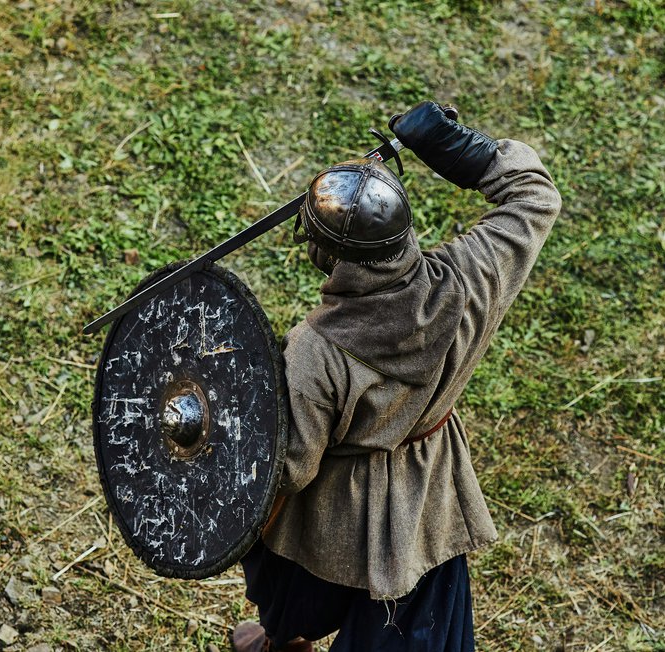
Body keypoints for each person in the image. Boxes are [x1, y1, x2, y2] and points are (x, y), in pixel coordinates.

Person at [232, 101, 562, 651]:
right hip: (429, 500)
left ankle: (286, 636)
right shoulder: (472, 279)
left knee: (290, 556)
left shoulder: (316, 353)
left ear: (328, 253)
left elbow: (289, 469)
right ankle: (285, 636)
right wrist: (462, 150)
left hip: (332, 517)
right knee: (380, 592)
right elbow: (535, 196)